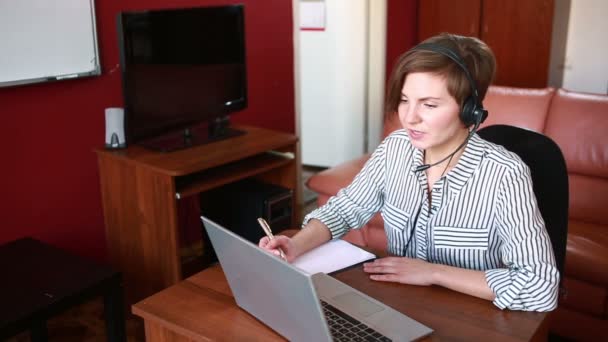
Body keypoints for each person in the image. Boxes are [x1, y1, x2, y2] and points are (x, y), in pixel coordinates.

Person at [260, 33, 559, 312]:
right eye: (405, 100)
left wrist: (433, 273)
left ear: (471, 111)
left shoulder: (505, 174)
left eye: (428, 104)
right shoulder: (396, 149)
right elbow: (345, 210)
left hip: (469, 317)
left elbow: (541, 286)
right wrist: (296, 243)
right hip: (398, 304)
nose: (409, 118)